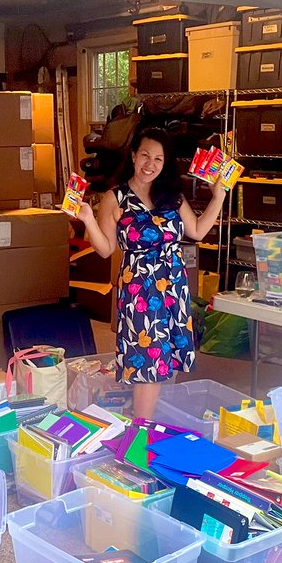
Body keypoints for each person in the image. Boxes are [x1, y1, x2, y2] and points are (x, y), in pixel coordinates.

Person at [78, 128, 226, 419]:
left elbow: (197, 231)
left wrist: (217, 197)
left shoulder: (172, 196)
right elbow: (106, 249)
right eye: (145, 155)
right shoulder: (115, 198)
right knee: (148, 360)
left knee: (165, 357)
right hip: (140, 289)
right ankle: (141, 428)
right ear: (134, 156)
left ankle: (146, 421)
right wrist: (88, 220)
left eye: (158, 159)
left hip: (173, 285)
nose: (150, 164)